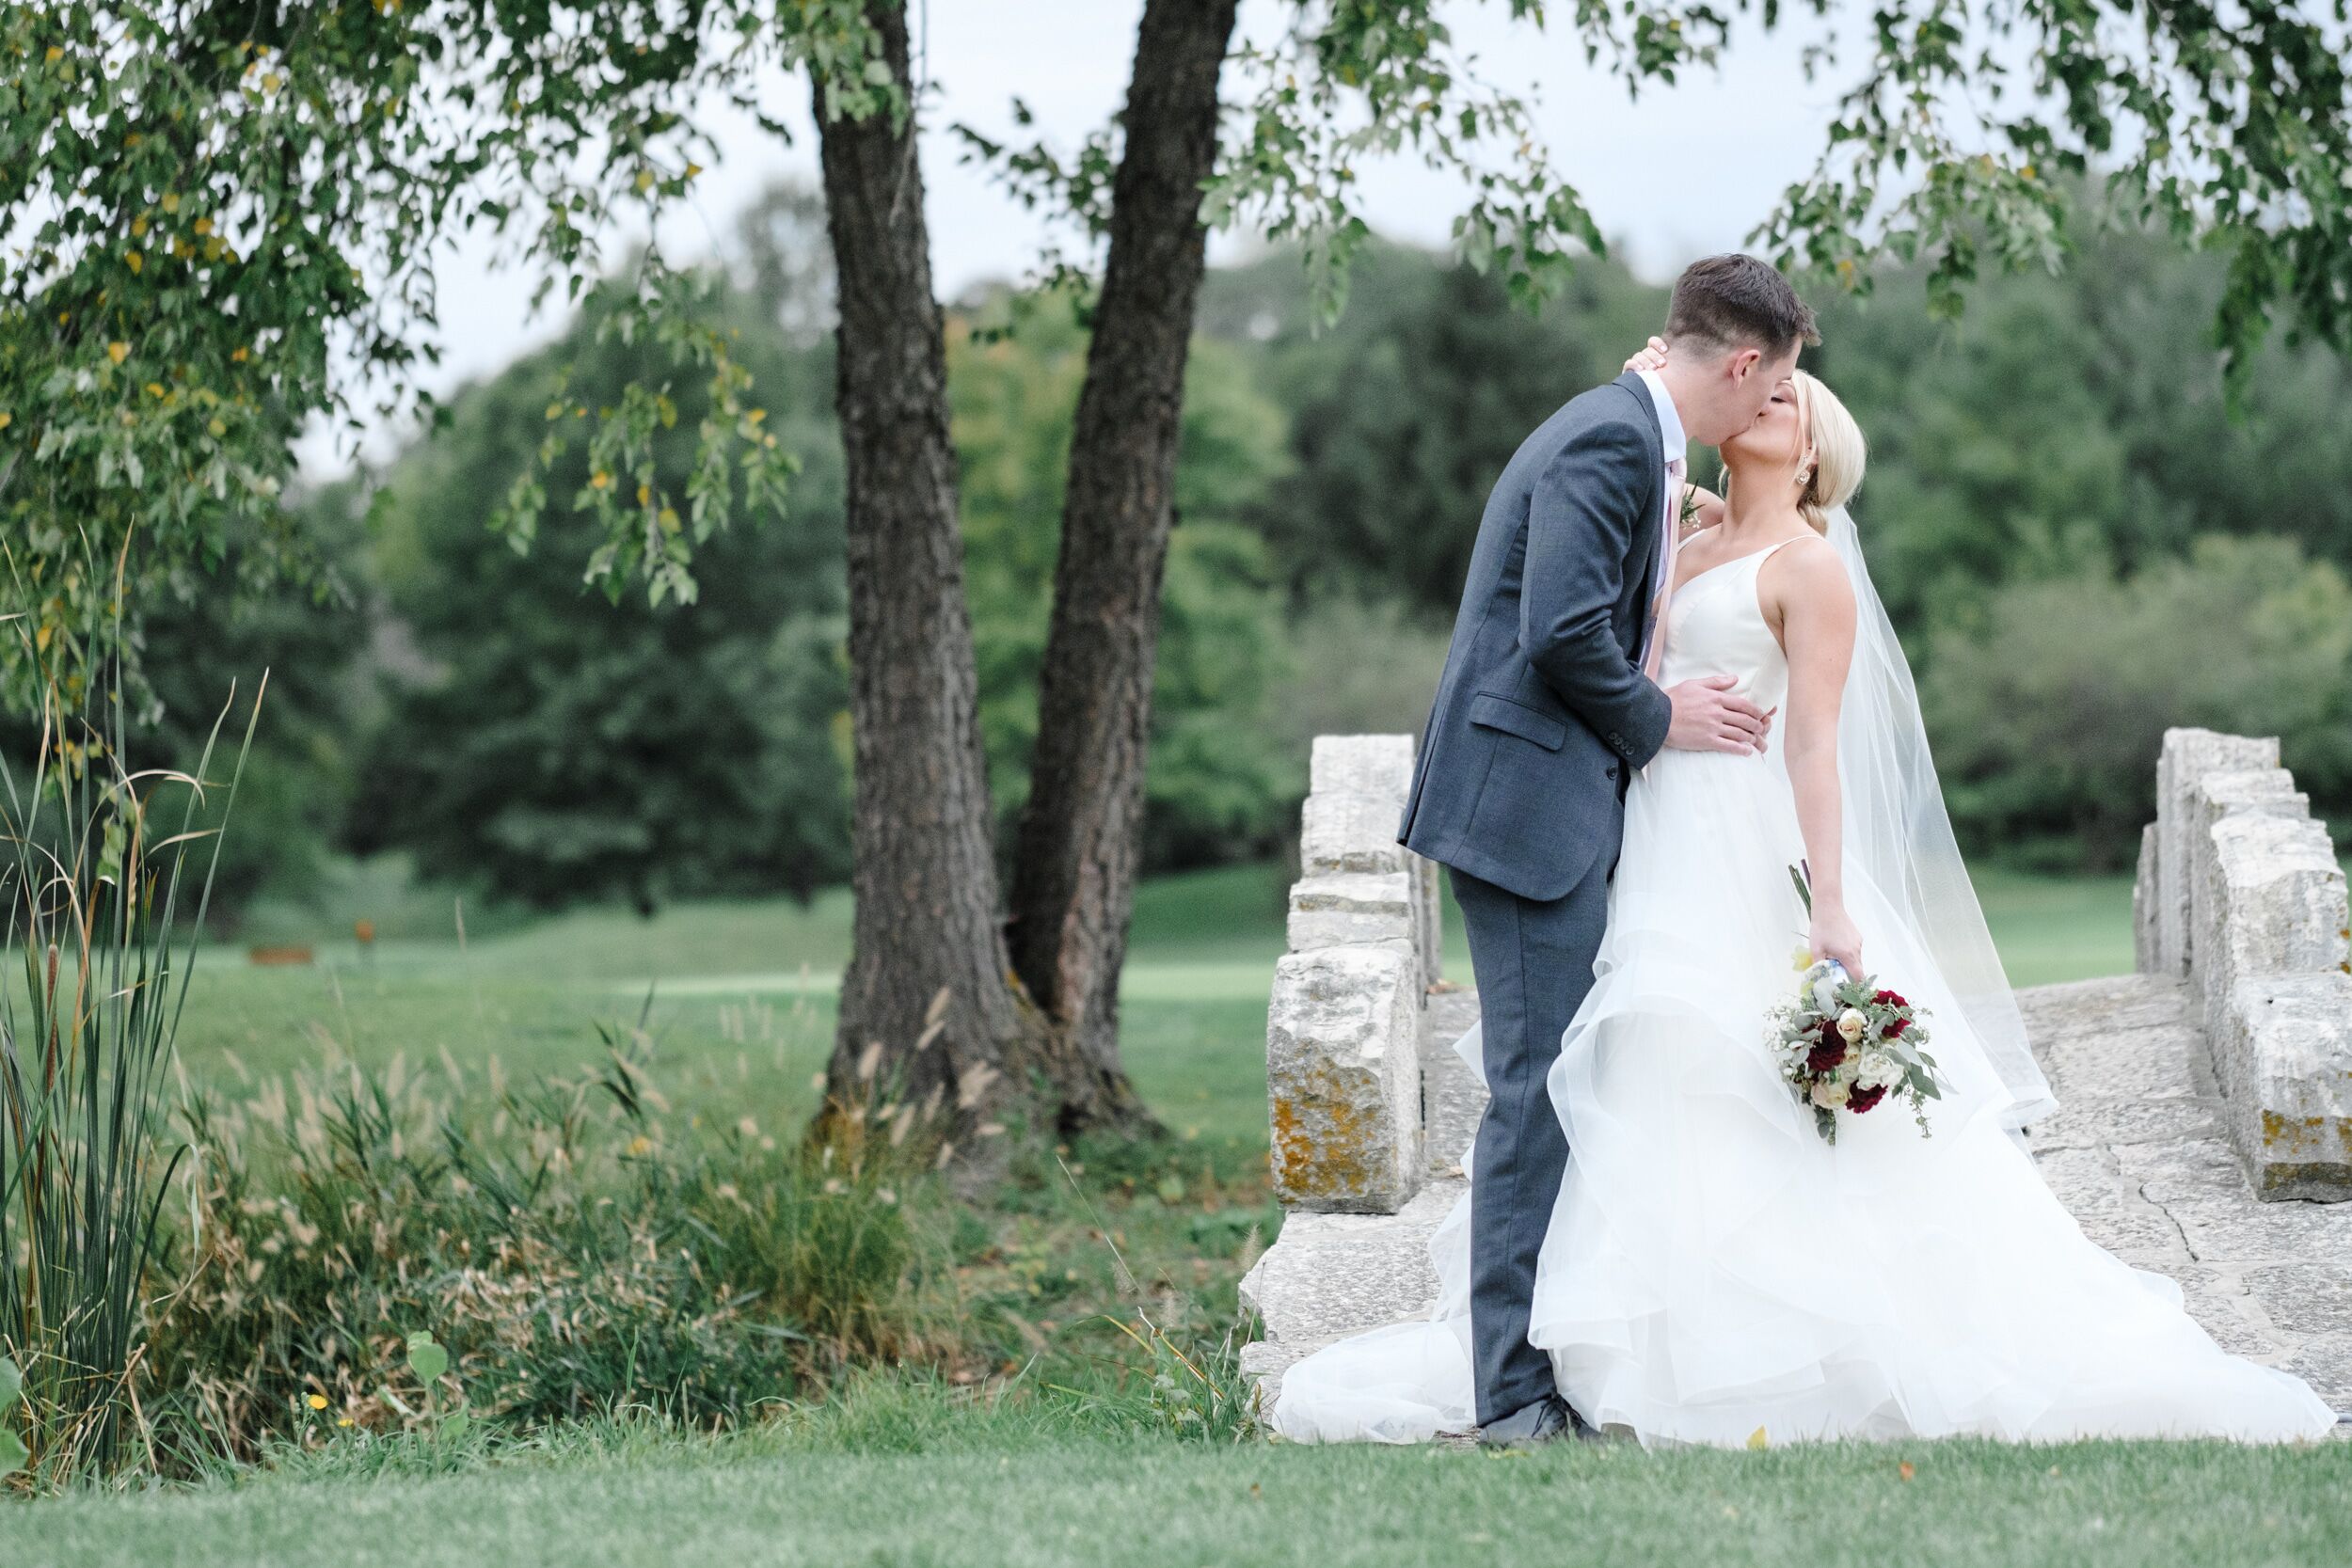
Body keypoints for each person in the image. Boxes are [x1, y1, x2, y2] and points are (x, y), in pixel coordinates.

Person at [1277, 329, 2338, 1448]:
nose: (1767, 400)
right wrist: (1655, 390)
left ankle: (1779, 1347)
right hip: (1641, 842)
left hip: (1739, 842)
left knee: (1736, 1079)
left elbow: (1815, 751)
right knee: (1632, 1081)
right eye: (1761, 383)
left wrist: (1833, 904)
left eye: (1789, 397)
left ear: (1817, 450)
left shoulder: (1808, 567)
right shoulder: (1677, 537)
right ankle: (1603, 1350)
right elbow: (1596, 630)